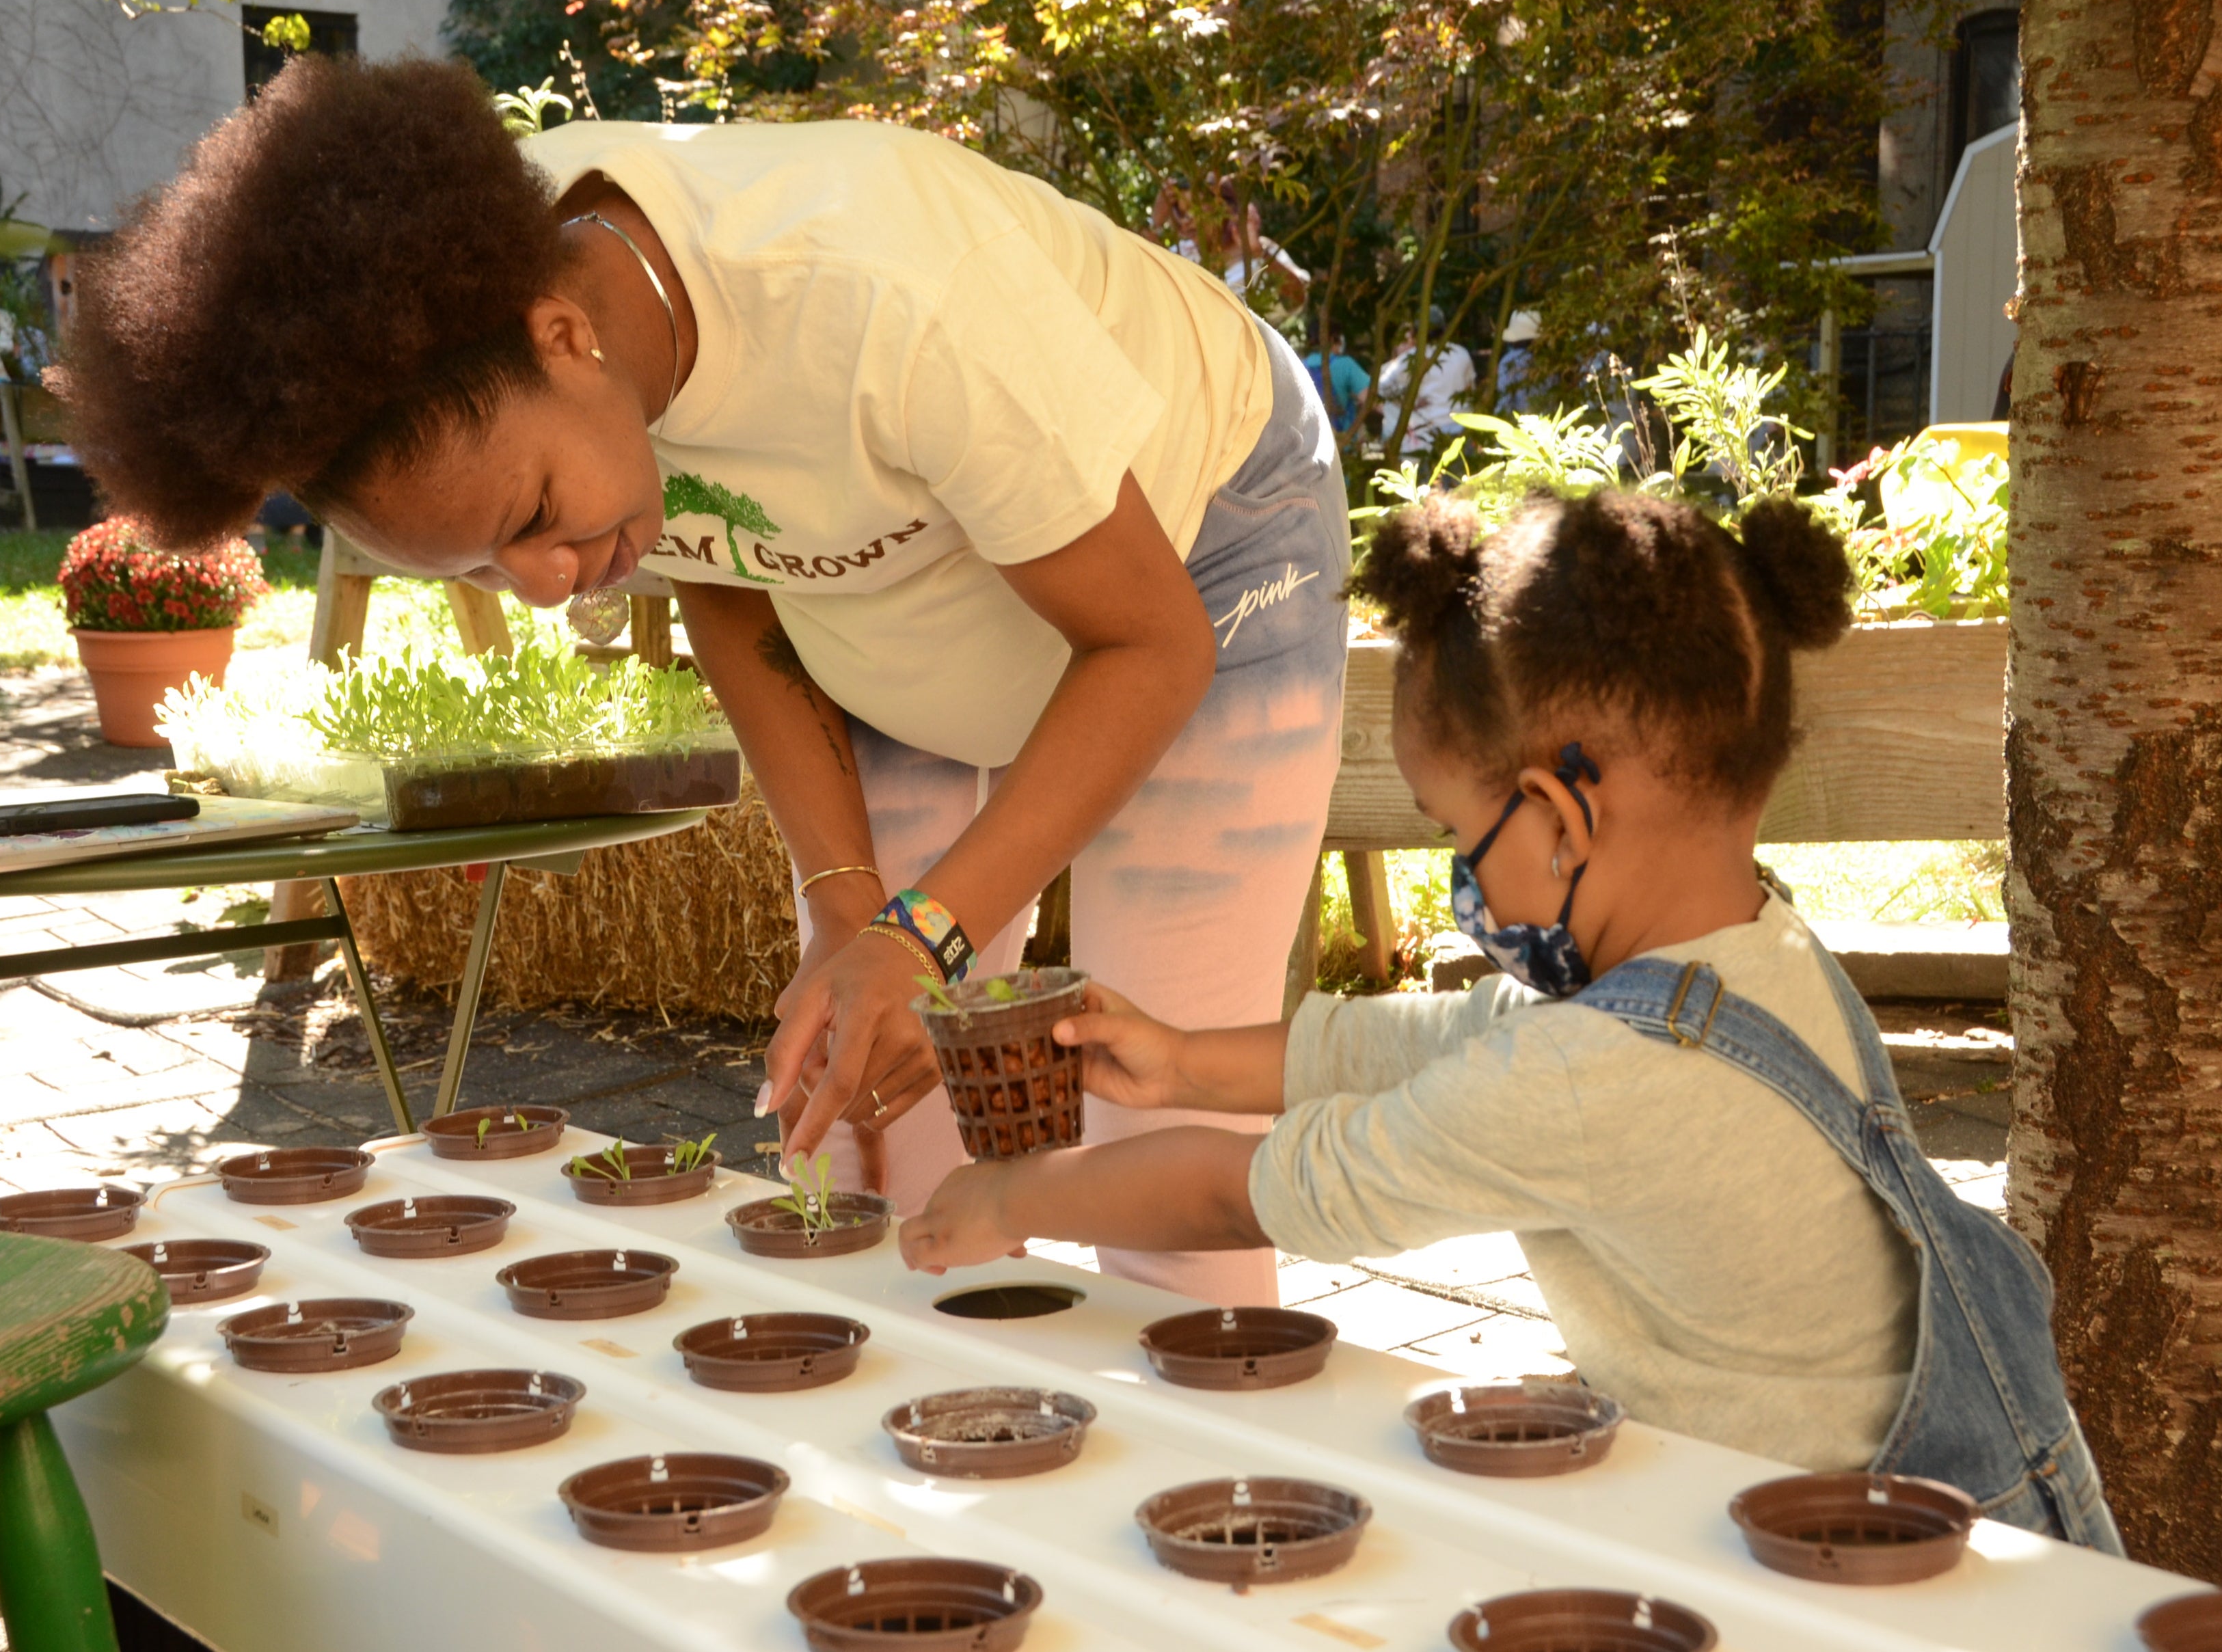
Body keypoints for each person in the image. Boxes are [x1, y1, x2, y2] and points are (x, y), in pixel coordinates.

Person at [53, 57, 1351, 1308]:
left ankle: (1235, 1504)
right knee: (866, 1117)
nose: (554, 584)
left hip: (1199, 550)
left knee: (1150, 1107)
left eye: (538, 515)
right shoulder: (482, 320)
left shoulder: (882, 293)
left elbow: (1146, 645)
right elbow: (731, 563)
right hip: (893, 584)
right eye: (494, 570)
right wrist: (853, 908)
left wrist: (924, 932)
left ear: (565, 335)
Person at [900, 488, 2124, 1549]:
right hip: (1905, 1511)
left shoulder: (1595, 1079)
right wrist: (1177, 1060)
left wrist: (1014, 1199)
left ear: (1558, 816)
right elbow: (1440, 1041)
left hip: (1858, 1581)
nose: (1460, 875)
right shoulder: (1755, 954)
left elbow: (1251, 1191)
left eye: (1454, 835)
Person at [1151, 177, 1311, 312]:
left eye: (1194, 210)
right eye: (1181, 213)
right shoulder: (1182, 254)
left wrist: (1259, 254)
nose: (1187, 221)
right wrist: (1153, 224)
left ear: (1222, 207)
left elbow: (1297, 298)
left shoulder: (1261, 250)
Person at [1375, 306, 1476, 468]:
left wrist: (1406, 401)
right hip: (1462, 429)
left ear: (1416, 332)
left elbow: (1379, 388)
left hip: (1427, 435)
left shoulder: (1411, 358)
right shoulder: (1462, 354)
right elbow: (1471, 390)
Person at [1301, 323, 1370, 439]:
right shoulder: (1346, 365)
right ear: (1333, 338)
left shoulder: (1300, 366)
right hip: (1342, 443)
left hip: (1310, 443)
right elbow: (1369, 398)